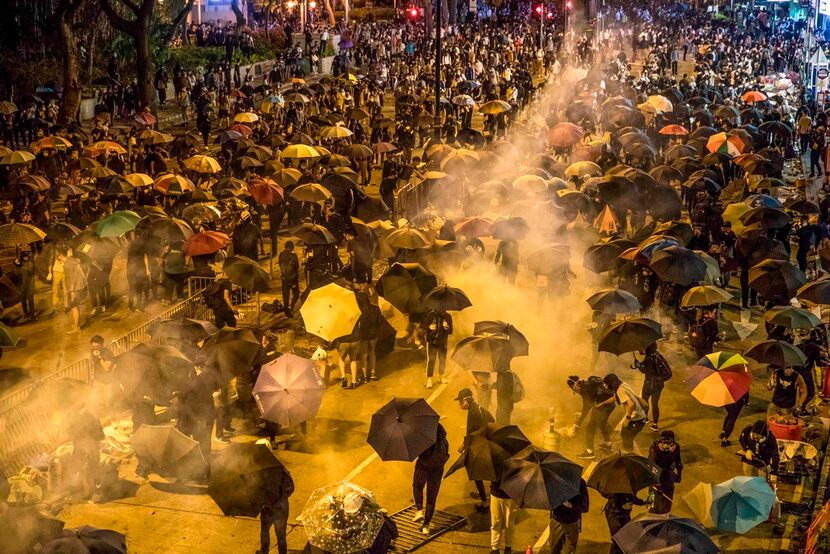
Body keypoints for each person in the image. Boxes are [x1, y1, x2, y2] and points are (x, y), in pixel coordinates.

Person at [456, 387, 494, 509]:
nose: (460, 404)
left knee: (476, 472)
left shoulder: (472, 412)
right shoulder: (479, 408)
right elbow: (492, 421)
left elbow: (471, 432)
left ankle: (485, 501)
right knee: (486, 470)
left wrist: (463, 444)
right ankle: (488, 496)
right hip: (486, 443)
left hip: (478, 445)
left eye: (460, 401)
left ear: (466, 401)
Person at [412, 422, 449, 535]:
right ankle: (426, 525)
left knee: (417, 486)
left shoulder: (423, 438)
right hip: (437, 469)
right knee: (431, 497)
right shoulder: (443, 440)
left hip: (423, 466)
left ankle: (419, 510)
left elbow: (417, 452)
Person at [568, 375, 615, 460]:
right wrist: (579, 420)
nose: (574, 390)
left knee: (589, 428)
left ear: (575, 385)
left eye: (572, 388)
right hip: (610, 405)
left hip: (604, 406)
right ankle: (608, 446)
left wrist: (577, 423)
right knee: (602, 424)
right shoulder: (586, 384)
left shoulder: (585, 390)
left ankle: (590, 453)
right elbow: (588, 404)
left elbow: (587, 406)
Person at [65, 404, 104, 501]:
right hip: (83, 446)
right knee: (80, 467)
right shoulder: (84, 417)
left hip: (89, 446)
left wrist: (89, 443)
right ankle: (87, 490)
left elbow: (99, 434)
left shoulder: (89, 419)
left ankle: (96, 492)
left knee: (92, 469)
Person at [633, 343, 672, 432]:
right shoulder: (650, 357)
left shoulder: (656, 358)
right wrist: (639, 366)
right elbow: (645, 369)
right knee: (645, 402)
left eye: (642, 348)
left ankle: (654, 423)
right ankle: (646, 418)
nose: (640, 350)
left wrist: (658, 380)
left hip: (655, 386)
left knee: (653, 404)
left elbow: (669, 374)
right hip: (648, 384)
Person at [604, 373, 647, 452]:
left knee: (627, 438)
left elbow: (631, 404)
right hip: (639, 417)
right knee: (626, 436)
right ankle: (631, 452)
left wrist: (627, 418)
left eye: (607, 384)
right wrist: (602, 404)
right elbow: (616, 397)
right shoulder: (623, 384)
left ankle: (630, 455)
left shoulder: (620, 391)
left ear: (612, 383)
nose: (607, 386)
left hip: (637, 419)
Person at [257, 465, 294, 554]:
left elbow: (259, 492)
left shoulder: (262, 473)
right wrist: (282, 497)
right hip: (281, 507)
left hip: (268, 507)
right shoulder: (283, 471)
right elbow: (290, 489)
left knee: (265, 531)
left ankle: (264, 551)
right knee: (281, 535)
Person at [548, 478, 589, 554]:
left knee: (570, 551)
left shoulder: (580, 483)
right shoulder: (556, 482)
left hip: (573, 523)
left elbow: (585, 507)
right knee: (554, 549)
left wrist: (571, 506)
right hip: (557, 522)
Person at [648, 430, 682, 514]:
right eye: (664, 442)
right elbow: (652, 466)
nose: (666, 445)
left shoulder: (676, 447)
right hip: (656, 477)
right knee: (653, 501)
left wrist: (679, 474)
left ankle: (665, 514)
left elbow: (678, 461)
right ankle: (651, 515)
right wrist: (667, 453)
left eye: (669, 442)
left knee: (667, 499)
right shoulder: (654, 449)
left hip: (668, 475)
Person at [421, 309, 452, 389]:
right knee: (431, 360)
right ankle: (429, 379)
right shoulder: (430, 315)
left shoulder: (448, 317)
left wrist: (446, 327)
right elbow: (422, 325)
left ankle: (441, 376)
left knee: (442, 360)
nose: (442, 309)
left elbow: (451, 331)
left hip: (443, 342)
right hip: (432, 341)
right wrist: (429, 327)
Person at [489, 479, 517, 554]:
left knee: (509, 524)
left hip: (510, 495)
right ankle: (495, 549)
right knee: (495, 522)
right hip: (495, 493)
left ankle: (508, 547)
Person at [63, 247, 87, 334]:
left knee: (74, 307)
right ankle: (76, 324)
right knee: (76, 306)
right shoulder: (73, 260)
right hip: (79, 286)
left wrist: (71, 290)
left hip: (75, 288)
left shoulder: (67, 264)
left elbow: (71, 278)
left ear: (61, 256)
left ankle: (77, 328)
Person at [278, 241, 300, 316]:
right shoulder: (294, 255)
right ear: (292, 247)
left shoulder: (281, 255)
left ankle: (287, 312)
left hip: (284, 278)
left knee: (285, 296)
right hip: (293, 279)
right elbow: (297, 267)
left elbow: (280, 264)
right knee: (296, 293)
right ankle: (291, 305)